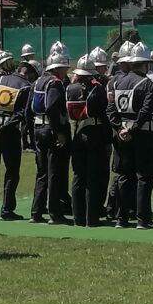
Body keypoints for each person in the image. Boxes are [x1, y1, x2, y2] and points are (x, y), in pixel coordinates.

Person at [107, 42, 153, 229]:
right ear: (146, 64)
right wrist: (132, 128)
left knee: (124, 176)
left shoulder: (117, 82)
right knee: (144, 177)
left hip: (121, 135)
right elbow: (146, 110)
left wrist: (120, 128)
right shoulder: (148, 84)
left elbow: (110, 110)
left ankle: (121, 218)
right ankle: (142, 219)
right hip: (143, 135)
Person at [0, 57, 33, 220]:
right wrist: (2, 129)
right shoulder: (26, 86)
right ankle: (7, 210)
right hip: (9, 132)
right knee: (11, 171)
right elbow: (21, 114)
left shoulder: (0, 79)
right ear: (30, 73)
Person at [66, 54, 110, 226]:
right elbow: (104, 115)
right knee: (93, 176)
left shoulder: (71, 88)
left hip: (78, 132)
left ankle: (77, 217)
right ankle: (91, 218)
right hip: (95, 133)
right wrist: (108, 140)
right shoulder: (97, 88)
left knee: (78, 176)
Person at [31, 46, 73, 225]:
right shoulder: (55, 83)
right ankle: (55, 213)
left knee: (42, 173)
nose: (66, 71)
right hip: (50, 130)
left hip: (38, 128)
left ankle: (36, 212)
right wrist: (59, 132)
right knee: (54, 172)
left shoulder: (38, 82)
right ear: (57, 69)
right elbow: (51, 108)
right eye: (64, 68)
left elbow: (29, 108)